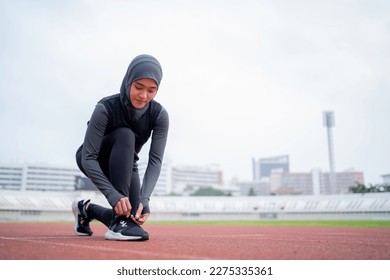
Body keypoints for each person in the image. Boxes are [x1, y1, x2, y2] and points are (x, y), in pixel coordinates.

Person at [72, 54, 169, 241]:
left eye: (151, 90)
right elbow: (88, 157)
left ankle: (86, 209)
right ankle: (117, 225)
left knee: (131, 215)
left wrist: (144, 198)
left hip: (127, 164)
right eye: (138, 87)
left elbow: (155, 161)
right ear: (128, 82)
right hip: (94, 159)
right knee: (125, 133)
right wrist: (112, 195)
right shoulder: (105, 107)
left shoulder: (159, 115)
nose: (143, 96)